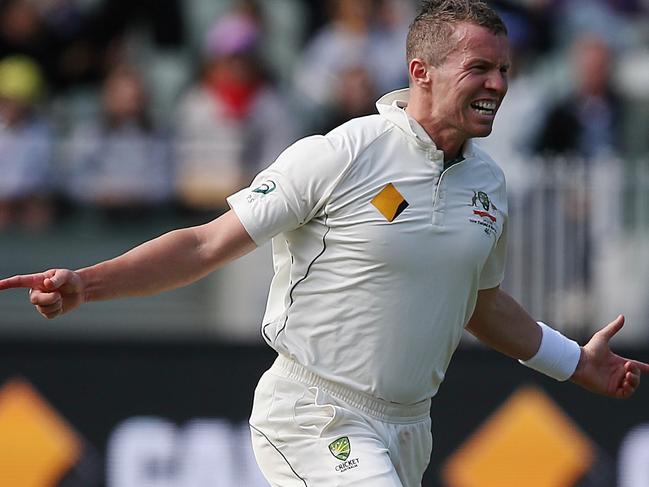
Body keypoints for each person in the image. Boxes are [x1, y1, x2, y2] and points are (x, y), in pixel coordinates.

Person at [1, 2, 648, 486]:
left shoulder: (488, 184)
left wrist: (571, 360)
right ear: (419, 71)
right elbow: (204, 244)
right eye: (477, 67)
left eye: (503, 69)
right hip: (316, 411)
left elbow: (479, 302)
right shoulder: (343, 152)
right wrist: (89, 283)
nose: (497, 84)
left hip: (409, 426)